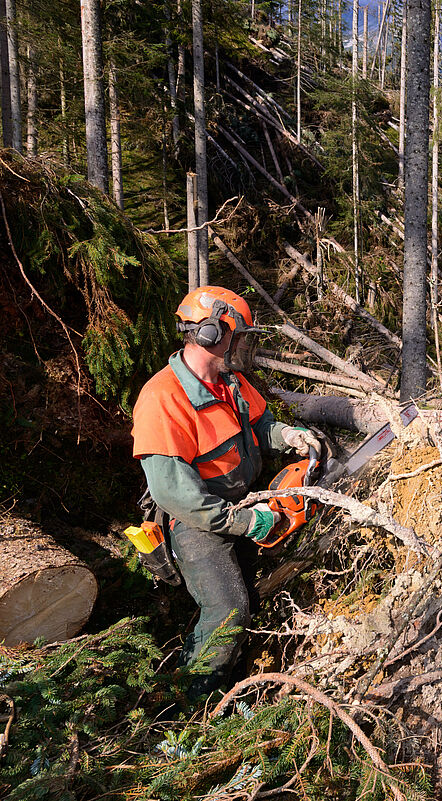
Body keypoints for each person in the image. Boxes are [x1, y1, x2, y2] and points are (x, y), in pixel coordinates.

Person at [131, 286, 321, 696]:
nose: (242, 345)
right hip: (194, 521)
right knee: (227, 610)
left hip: (242, 498)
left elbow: (261, 427)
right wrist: (245, 521)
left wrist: (288, 435)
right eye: (238, 335)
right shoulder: (162, 397)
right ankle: (189, 702)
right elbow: (175, 494)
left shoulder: (229, 382)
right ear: (212, 334)